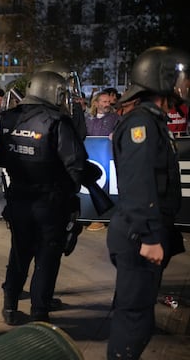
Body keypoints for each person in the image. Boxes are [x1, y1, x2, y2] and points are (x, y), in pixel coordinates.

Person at [107, 46, 189, 360]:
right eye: (179, 75)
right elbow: (139, 186)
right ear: (161, 78)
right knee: (134, 319)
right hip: (137, 237)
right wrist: (150, 237)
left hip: (139, 233)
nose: (184, 83)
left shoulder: (152, 120)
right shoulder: (141, 123)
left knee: (137, 313)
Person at [0, 71, 87, 325]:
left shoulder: (9, 117)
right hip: (49, 202)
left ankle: (10, 306)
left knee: (19, 252)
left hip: (18, 198)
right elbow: (75, 163)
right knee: (47, 255)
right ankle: (39, 310)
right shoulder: (57, 121)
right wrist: (66, 192)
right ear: (53, 92)